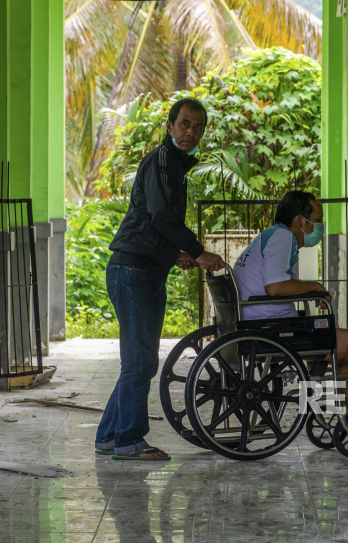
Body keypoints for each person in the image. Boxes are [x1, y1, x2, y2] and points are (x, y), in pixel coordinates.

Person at [95, 98, 225, 461]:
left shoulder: (176, 167)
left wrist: (177, 254)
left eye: (198, 127)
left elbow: (157, 226)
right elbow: (162, 217)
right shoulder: (162, 161)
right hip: (132, 270)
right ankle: (129, 441)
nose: (190, 132)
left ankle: (108, 436)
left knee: (143, 361)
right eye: (184, 124)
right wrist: (198, 251)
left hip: (148, 270)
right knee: (138, 362)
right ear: (170, 126)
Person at [232, 190, 348, 440]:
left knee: (344, 362)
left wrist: (311, 289)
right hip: (272, 329)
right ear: (300, 221)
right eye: (317, 220)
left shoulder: (272, 235)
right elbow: (275, 287)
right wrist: (315, 287)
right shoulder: (282, 237)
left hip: (264, 323)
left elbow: (278, 283)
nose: (319, 227)